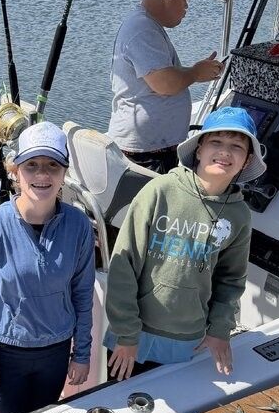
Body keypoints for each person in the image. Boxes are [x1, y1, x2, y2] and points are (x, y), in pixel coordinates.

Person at [105, 106, 266, 380]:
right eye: (216, 142)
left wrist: (219, 330)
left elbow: (231, 280)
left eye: (236, 146)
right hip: (135, 336)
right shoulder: (160, 191)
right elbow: (124, 265)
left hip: (190, 340)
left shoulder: (239, 215)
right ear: (199, 149)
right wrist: (126, 333)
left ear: (247, 160)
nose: (225, 152)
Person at [0, 122, 95, 413]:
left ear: (64, 173)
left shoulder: (78, 226)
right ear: (16, 171)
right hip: (7, 353)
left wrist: (82, 353)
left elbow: (83, 292)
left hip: (57, 351)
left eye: (52, 165)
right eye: (32, 165)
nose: (42, 175)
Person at [107, 0, 224, 172]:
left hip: (151, 149)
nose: (187, 6)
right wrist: (195, 73)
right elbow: (165, 83)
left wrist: (199, 71)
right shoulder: (142, 29)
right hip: (146, 153)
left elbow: (160, 76)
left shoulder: (145, 25)